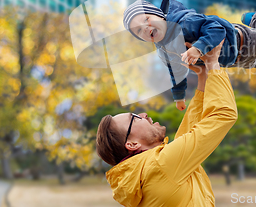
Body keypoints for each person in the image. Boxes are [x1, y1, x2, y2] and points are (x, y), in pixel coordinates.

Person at [96, 39, 237, 206]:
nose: (144, 114)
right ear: (132, 144)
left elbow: (190, 130)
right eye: (134, 117)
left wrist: (203, 74)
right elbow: (223, 114)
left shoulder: (148, 171)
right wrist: (213, 62)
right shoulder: (161, 165)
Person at [123, 0, 256, 110]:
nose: (145, 27)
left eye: (146, 19)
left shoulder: (186, 22)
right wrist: (179, 95)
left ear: (159, 15)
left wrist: (198, 48)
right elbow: (176, 72)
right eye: (138, 30)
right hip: (232, 60)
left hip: (243, 39)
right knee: (252, 62)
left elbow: (216, 28)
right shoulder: (165, 50)